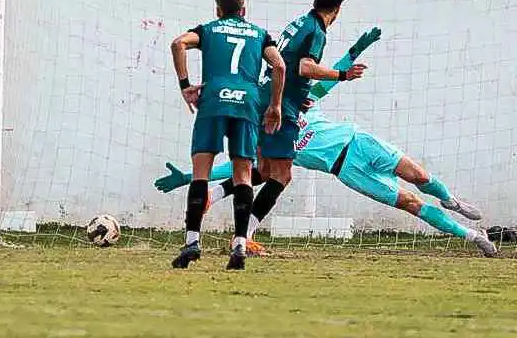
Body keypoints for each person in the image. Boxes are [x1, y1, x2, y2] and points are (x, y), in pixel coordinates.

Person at [154, 28, 499, 258]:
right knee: (408, 202)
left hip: (359, 141)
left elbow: (328, 79)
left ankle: (451, 200)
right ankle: (472, 237)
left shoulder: (297, 101)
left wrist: (356, 50)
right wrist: (189, 177)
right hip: (345, 169)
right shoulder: (266, 135)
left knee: (419, 177)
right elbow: (245, 169)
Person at [168, 0, 286, 270]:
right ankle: (239, 246)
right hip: (246, 101)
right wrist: (275, 106)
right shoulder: (260, 34)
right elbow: (280, 66)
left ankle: (192, 243)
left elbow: (177, 43)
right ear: (243, 10)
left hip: (214, 100)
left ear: (218, 10)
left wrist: (186, 86)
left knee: (201, 172)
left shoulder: (209, 29)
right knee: (244, 172)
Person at [244, 0, 367, 246]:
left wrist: (299, 97)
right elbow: (305, 67)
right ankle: (244, 235)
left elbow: (282, 60)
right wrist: (342, 75)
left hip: (264, 96)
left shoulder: (299, 22)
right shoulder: (317, 31)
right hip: (279, 106)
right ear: (337, 9)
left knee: (263, 170)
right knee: (282, 175)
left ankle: (212, 195)